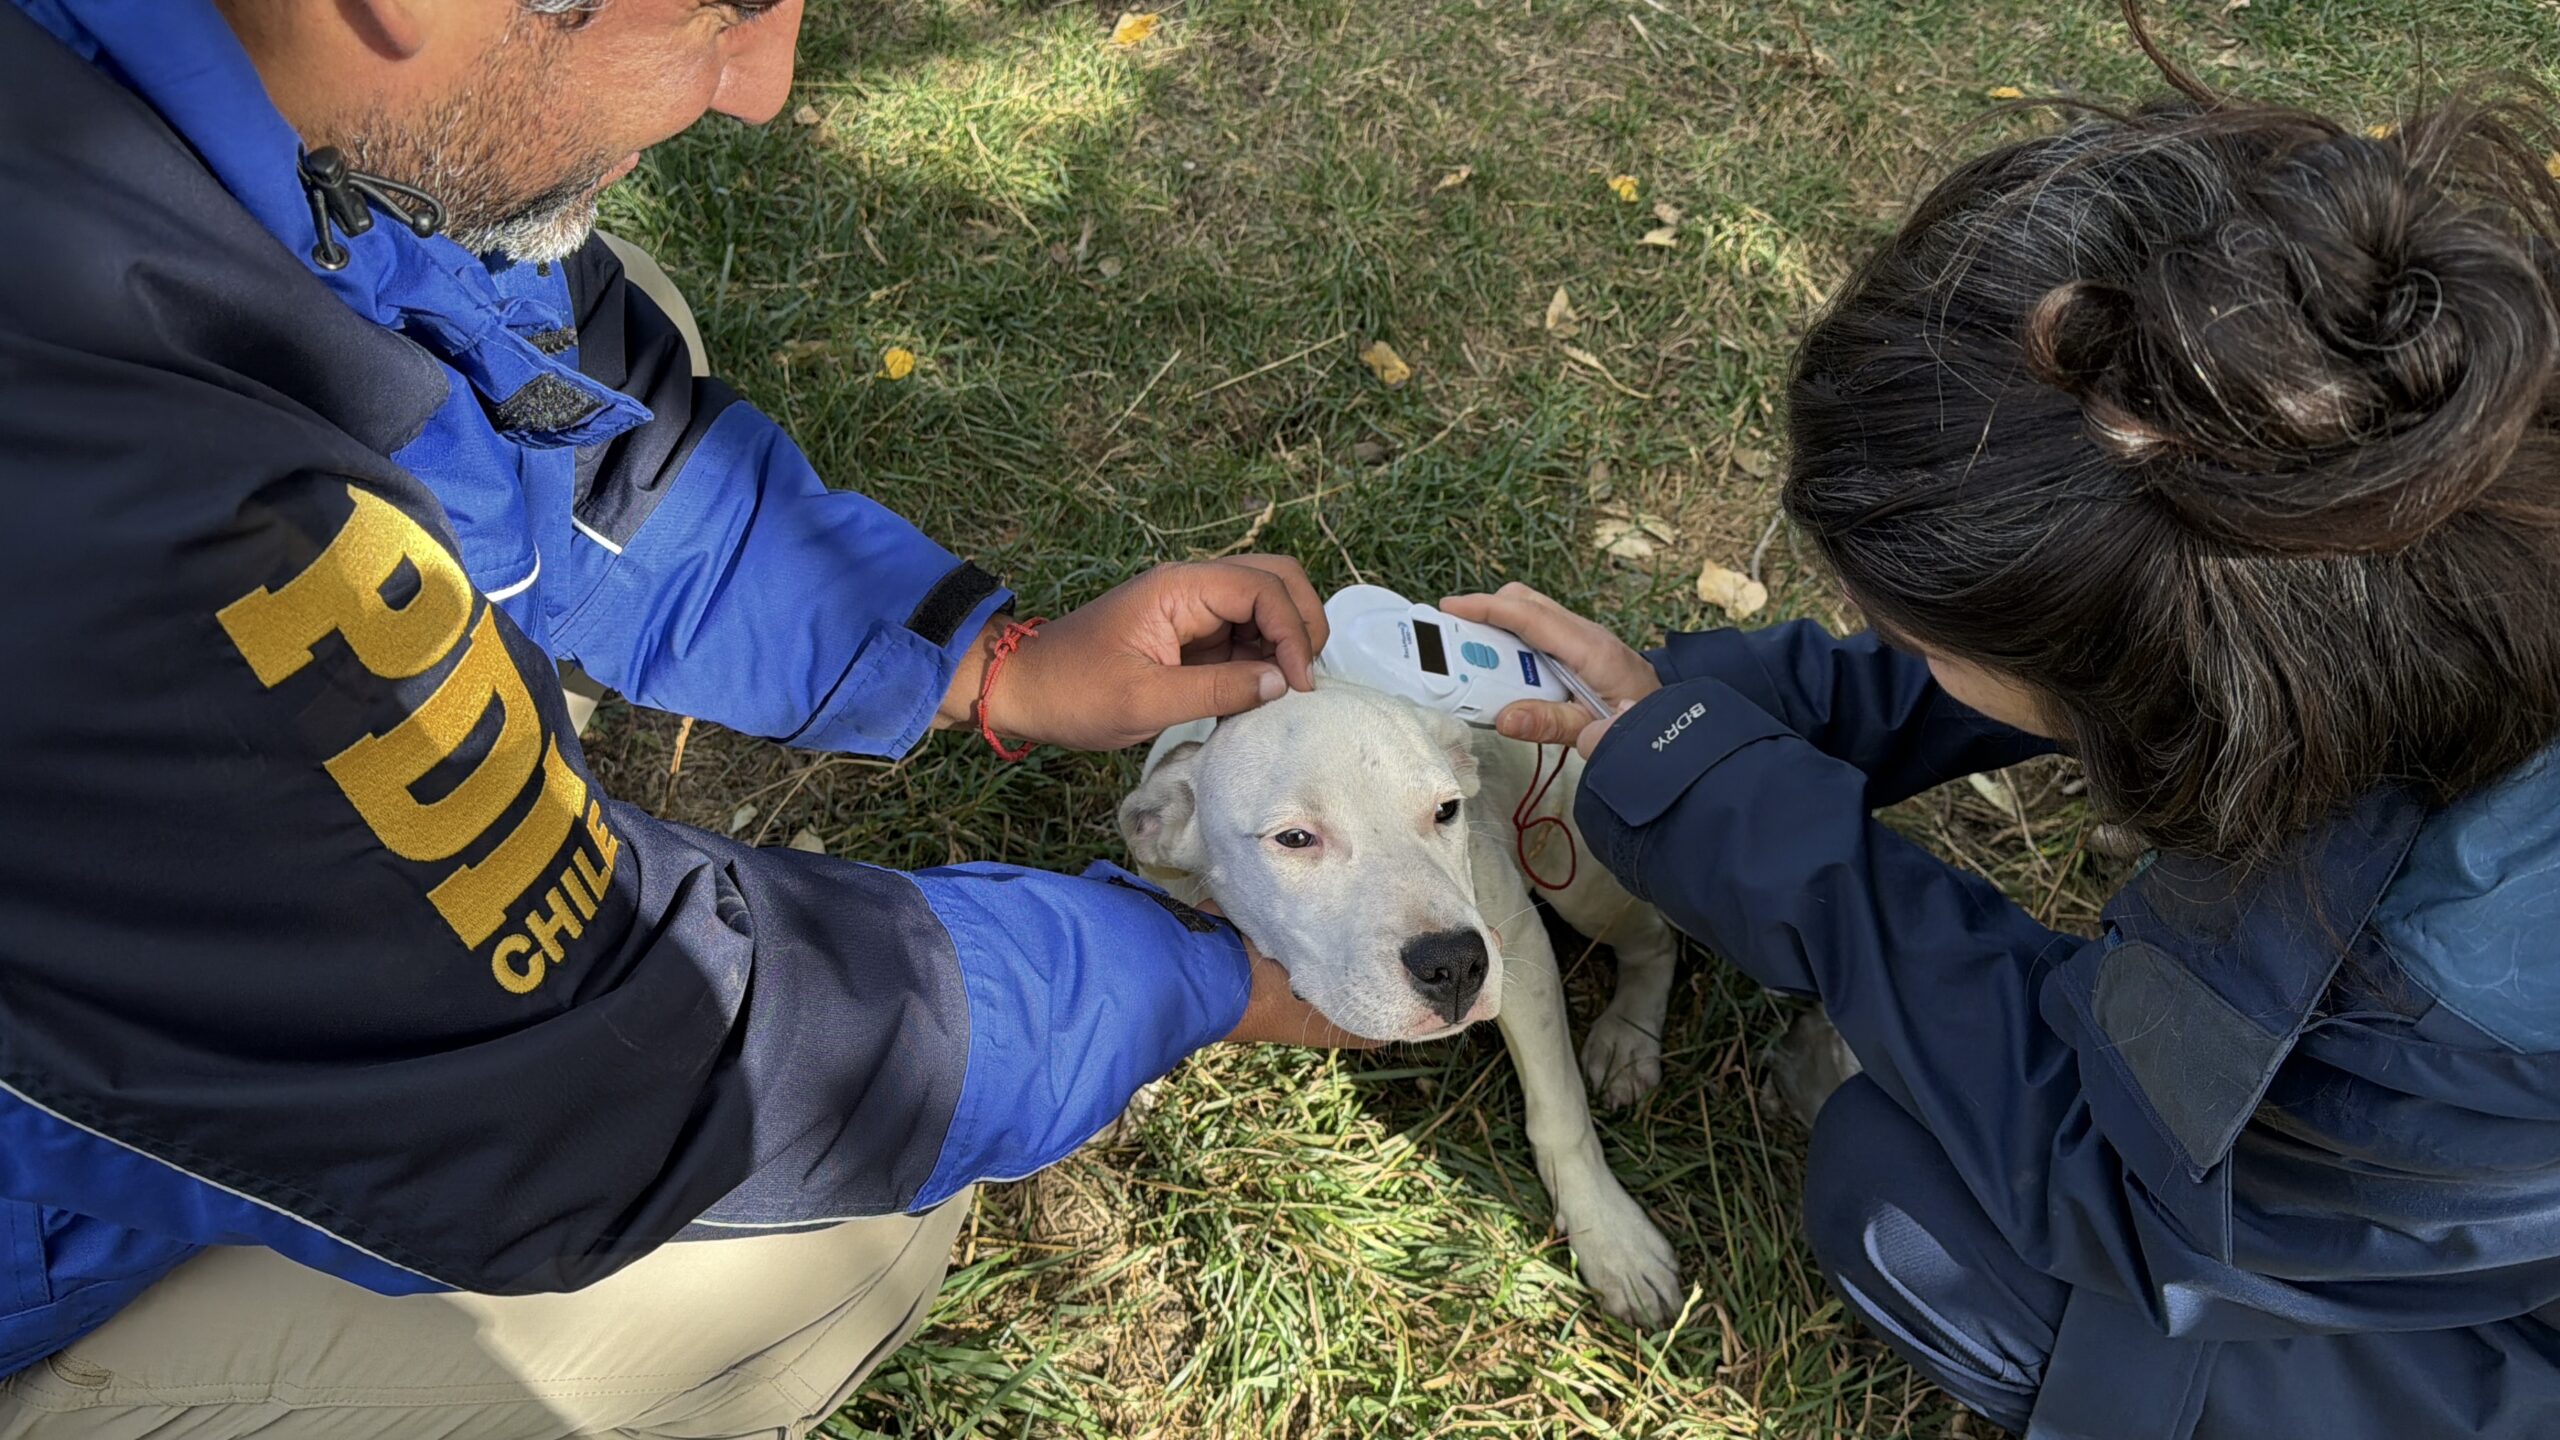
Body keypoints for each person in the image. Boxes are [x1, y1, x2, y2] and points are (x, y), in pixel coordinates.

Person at [0, 0, 1367, 1434]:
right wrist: (1197, 977)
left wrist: (987, 663)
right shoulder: (150, 502)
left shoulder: (280, 122)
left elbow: (571, 428)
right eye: (720, 11)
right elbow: (629, 1069)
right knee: (834, 1232)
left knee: (541, 223)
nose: (765, 89)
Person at [1448, 46, 2560, 1440]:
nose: (1883, 643)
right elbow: (2087, 623)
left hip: (2455, 1287)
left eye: (1909, 637)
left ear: (2184, 698)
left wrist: (1747, 827)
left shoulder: (2441, 1002)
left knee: (1897, 1196)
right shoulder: (2420, 481)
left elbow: (2126, 1185)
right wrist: (1697, 717)